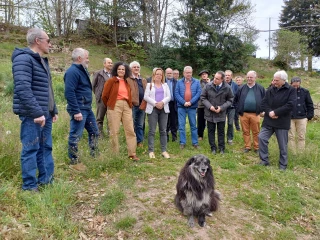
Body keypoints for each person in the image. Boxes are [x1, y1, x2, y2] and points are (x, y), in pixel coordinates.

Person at [12, 28, 58, 191]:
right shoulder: (23, 59)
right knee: (31, 148)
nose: (50, 44)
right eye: (48, 40)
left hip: (45, 113)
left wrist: (53, 110)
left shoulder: (41, 60)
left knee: (46, 147)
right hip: (33, 115)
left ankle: (46, 180)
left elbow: (48, 89)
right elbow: (23, 88)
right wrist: (37, 113)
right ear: (38, 41)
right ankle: (30, 186)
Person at [64, 48, 99, 171]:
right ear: (79, 58)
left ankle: (95, 156)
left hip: (86, 108)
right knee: (75, 135)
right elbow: (69, 92)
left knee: (95, 132)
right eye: (87, 57)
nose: (88, 60)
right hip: (79, 109)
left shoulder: (82, 70)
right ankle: (74, 162)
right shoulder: (73, 72)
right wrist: (76, 111)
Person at [259, 70, 297, 170]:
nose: (274, 82)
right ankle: (264, 160)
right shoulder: (271, 89)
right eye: (274, 80)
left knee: (282, 145)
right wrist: (269, 112)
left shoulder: (291, 90)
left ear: (283, 80)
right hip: (268, 121)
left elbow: (290, 105)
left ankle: (283, 165)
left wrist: (276, 112)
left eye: (276, 80)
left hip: (282, 122)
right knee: (261, 138)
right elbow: (264, 103)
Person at [101, 62, 139, 161]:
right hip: (115, 106)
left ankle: (132, 153)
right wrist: (110, 105)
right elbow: (104, 96)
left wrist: (129, 104)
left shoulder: (127, 82)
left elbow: (129, 95)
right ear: (115, 70)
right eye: (119, 69)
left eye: (123, 69)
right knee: (114, 130)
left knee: (130, 130)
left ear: (125, 71)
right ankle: (115, 154)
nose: (121, 71)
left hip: (126, 106)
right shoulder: (111, 81)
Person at [201, 71, 233, 154]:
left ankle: (221, 148)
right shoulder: (208, 86)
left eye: (217, 79)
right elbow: (203, 98)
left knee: (221, 131)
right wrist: (210, 106)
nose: (215, 80)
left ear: (222, 80)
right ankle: (213, 148)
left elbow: (230, 100)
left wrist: (222, 107)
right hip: (210, 113)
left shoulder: (227, 87)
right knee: (211, 131)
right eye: (214, 77)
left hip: (221, 113)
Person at [234, 71, 265, 153]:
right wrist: (238, 109)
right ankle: (247, 147)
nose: (249, 79)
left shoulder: (260, 88)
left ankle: (257, 147)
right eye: (248, 77)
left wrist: (262, 110)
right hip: (244, 114)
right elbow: (235, 100)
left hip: (255, 114)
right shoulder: (241, 88)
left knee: (256, 132)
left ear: (255, 78)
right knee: (245, 131)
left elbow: (265, 100)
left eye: (251, 77)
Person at [144, 68, 171, 159]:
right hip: (153, 109)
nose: (159, 76)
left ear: (162, 76)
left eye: (160, 74)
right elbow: (146, 97)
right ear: (153, 75)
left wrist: (162, 102)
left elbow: (169, 96)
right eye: (157, 74)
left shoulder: (165, 85)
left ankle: (164, 150)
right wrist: (155, 103)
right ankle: (151, 150)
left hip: (163, 109)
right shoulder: (149, 85)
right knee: (152, 131)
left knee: (163, 130)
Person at [175, 66, 202, 149]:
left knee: (193, 125)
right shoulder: (179, 82)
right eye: (187, 72)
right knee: (181, 125)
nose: (188, 74)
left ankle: (195, 143)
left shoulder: (197, 82)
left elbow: (198, 93)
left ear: (192, 72)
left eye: (190, 72)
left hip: (192, 107)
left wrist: (190, 102)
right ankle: (182, 142)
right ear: (183, 73)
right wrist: (184, 102)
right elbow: (176, 93)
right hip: (181, 107)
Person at [288, 77, 314, 153]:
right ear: (291, 84)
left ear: (300, 84)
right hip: (290, 117)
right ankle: (292, 153)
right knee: (290, 136)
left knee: (301, 137)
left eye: (297, 86)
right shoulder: (287, 91)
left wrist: (309, 116)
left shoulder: (305, 92)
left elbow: (309, 104)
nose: (295, 87)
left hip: (302, 117)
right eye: (294, 86)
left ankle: (300, 153)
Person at [128, 61, 147, 147]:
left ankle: (140, 141)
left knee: (140, 124)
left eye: (138, 67)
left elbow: (147, 92)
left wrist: (145, 102)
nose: (136, 68)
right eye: (134, 67)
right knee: (131, 124)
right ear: (131, 69)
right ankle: (131, 142)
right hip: (132, 105)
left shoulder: (143, 80)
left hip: (142, 105)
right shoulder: (128, 79)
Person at [92, 57, 113, 137]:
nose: (111, 64)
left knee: (110, 118)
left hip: (111, 100)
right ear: (104, 64)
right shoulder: (98, 73)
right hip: (101, 99)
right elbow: (93, 86)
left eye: (111, 63)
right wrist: (98, 94)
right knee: (99, 118)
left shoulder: (113, 74)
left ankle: (110, 135)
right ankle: (99, 135)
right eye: (109, 63)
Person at [224, 70, 239, 145]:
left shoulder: (235, 85)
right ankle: (221, 138)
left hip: (232, 107)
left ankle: (230, 138)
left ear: (231, 76)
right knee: (221, 123)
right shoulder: (221, 84)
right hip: (223, 107)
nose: (227, 77)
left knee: (230, 123)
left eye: (228, 75)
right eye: (226, 75)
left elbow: (237, 96)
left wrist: (236, 105)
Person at [197, 70, 211, 141]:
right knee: (200, 121)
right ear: (201, 76)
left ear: (207, 75)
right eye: (202, 74)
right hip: (201, 105)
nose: (204, 75)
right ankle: (200, 135)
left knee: (209, 121)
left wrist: (209, 83)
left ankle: (210, 135)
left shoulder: (211, 83)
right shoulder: (198, 83)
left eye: (205, 74)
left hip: (209, 105)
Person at [165, 68, 178, 142]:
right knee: (166, 121)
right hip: (165, 103)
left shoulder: (176, 82)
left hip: (174, 104)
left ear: (172, 74)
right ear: (165, 73)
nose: (169, 74)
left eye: (170, 73)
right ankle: (166, 137)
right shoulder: (163, 82)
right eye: (168, 73)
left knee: (174, 121)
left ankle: (174, 137)